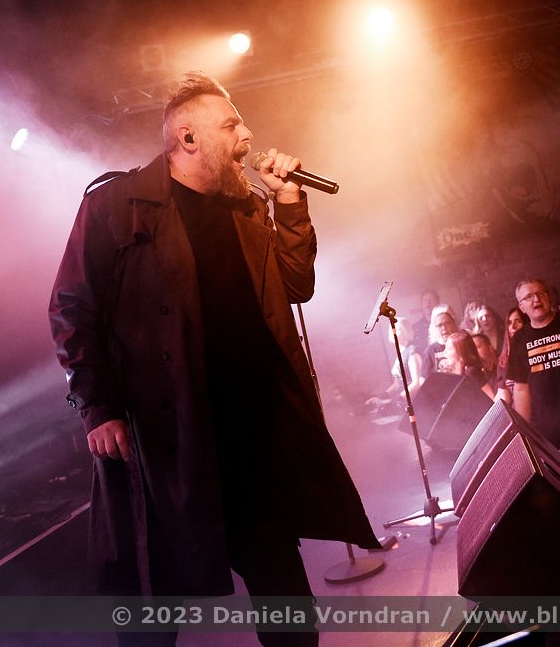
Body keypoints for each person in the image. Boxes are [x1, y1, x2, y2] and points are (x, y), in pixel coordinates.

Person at [48, 72, 377, 644]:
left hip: (251, 435)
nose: (247, 135)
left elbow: (296, 286)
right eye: (231, 125)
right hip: (167, 442)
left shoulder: (247, 208)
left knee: (286, 600)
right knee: (154, 606)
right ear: (188, 138)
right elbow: (70, 307)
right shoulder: (115, 206)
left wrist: (290, 205)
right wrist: (98, 407)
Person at [506, 278, 560, 470]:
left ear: (549, 296)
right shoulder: (520, 339)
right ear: (521, 307)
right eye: (529, 297)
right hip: (545, 430)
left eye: (540, 293)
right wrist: (525, 431)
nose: (536, 299)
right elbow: (521, 388)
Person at [444, 331, 496, 400]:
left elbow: (491, 397)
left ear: (460, 351)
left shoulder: (471, 372)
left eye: (448, 349)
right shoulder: (454, 373)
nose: (444, 352)